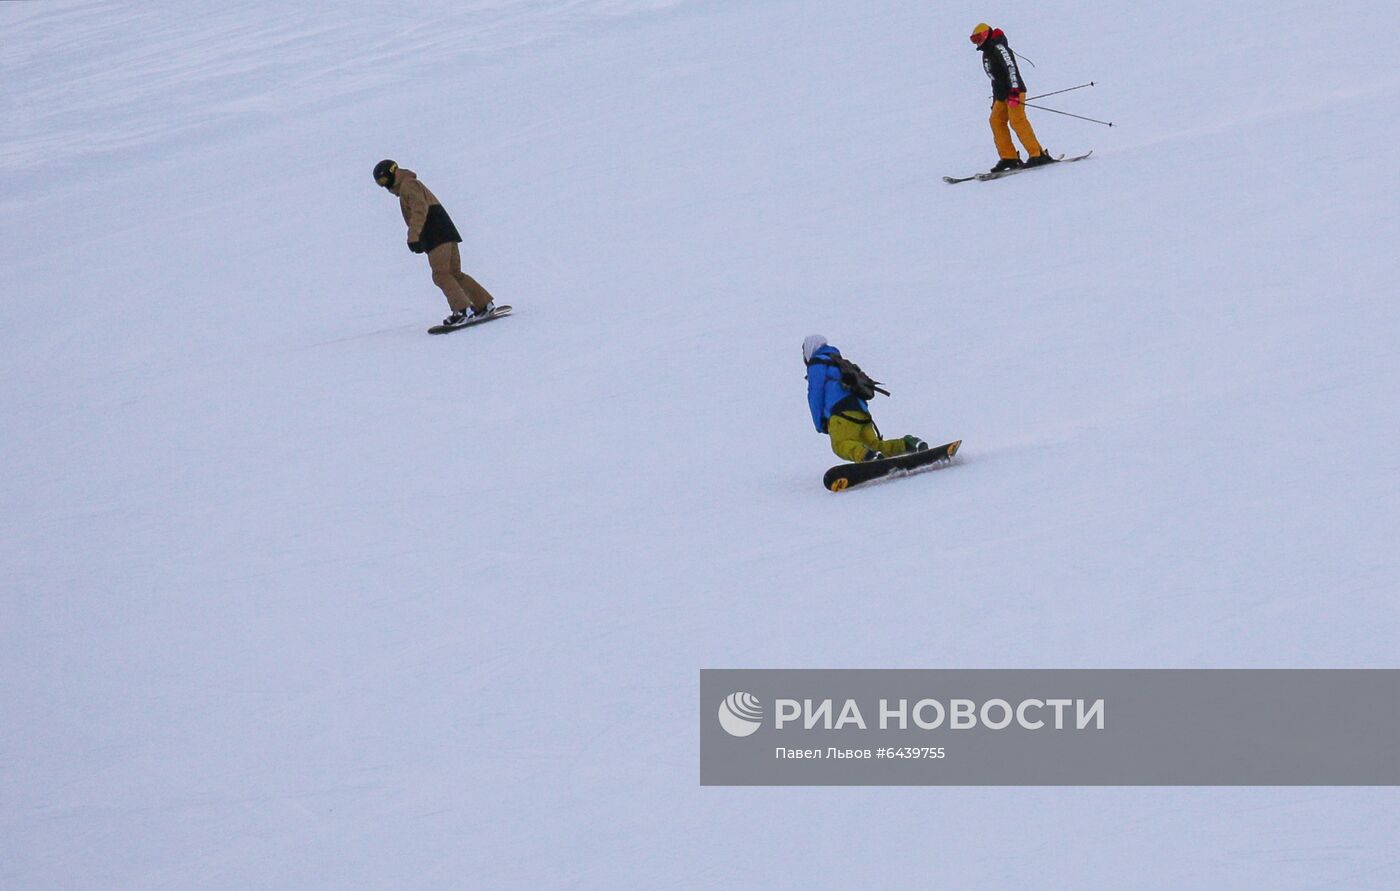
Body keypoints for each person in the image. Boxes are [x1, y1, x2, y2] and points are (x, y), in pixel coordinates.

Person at [373, 159, 497, 328]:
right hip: (445, 230)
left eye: (385, 180)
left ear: (393, 172)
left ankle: (463, 310)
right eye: (381, 183)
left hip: (435, 233)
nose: (385, 186)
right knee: (454, 273)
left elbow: (419, 209)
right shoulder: (409, 184)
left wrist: (414, 236)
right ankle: (484, 304)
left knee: (441, 274)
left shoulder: (408, 186)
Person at [803, 335, 927, 463]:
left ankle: (868, 457)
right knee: (874, 446)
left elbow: (815, 394)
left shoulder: (817, 363)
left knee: (840, 445)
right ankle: (908, 444)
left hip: (840, 413)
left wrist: (820, 424)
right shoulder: (839, 363)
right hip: (861, 411)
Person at [969, 23, 1055, 173]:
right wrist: (996, 99)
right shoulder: (987, 53)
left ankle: (1037, 154)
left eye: (979, 37)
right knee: (996, 121)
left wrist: (1014, 91)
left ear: (987, 34)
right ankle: (1009, 157)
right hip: (1001, 95)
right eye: (974, 40)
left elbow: (1011, 69)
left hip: (1014, 92)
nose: (978, 42)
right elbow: (994, 78)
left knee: (1017, 121)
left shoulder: (999, 48)